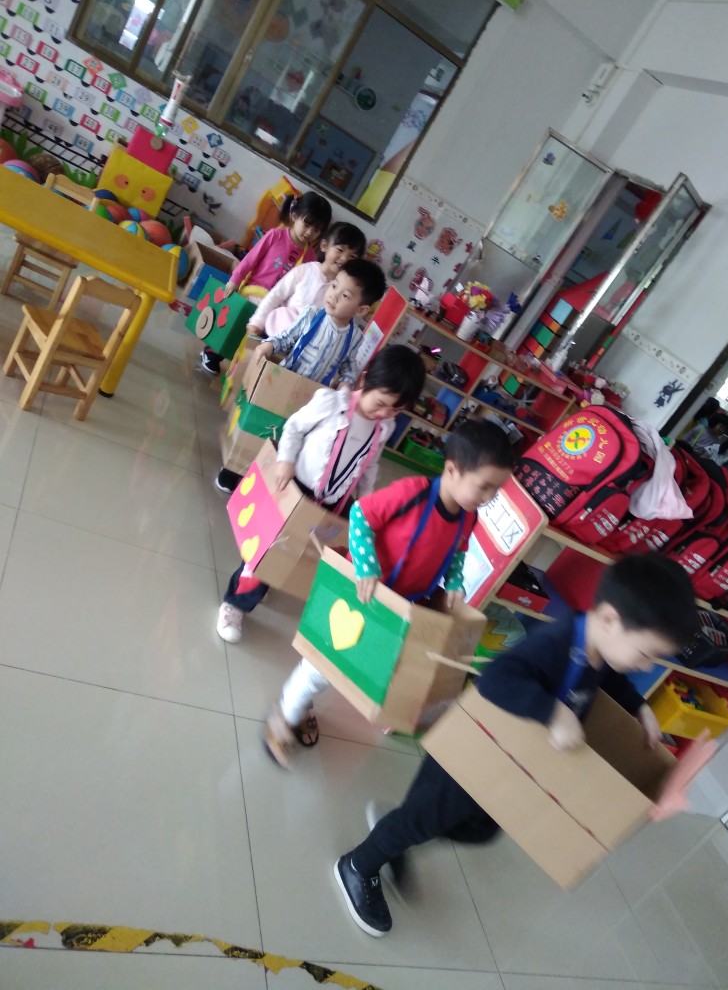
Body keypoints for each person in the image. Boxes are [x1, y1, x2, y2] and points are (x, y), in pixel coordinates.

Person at [333, 554, 698, 937]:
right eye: (646, 655)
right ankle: (359, 864)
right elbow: (497, 679)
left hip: (506, 761)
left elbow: (612, 680)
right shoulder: (558, 642)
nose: (647, 667)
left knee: (480, 830)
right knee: (428, 817)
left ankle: (397, 830)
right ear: (609, 620)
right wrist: (552, 713)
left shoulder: (601, 651)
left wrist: (640, 707)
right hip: (471, 755)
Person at [263, 420, 515, 768]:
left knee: (346, 661)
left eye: (495, 491)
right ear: (452, 470)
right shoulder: (413, 492)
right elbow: (362, 515)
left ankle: (301, 703)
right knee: (322, 661)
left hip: (395, 604)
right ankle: (285, 716)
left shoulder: (466, 517)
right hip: (360, 591)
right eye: (484, 487)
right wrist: (366, 566)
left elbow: (458, 551)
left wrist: (455, 582)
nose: (488, 498)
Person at [216, 345, 427, 644]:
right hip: (296, 486)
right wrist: (286, 460)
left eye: (395, 410)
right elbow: (293, 428)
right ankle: (235, 604)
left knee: (293, 549)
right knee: (264, 550)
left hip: (333, 501)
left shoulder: (385, 427)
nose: (384, 413)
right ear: (366, 379)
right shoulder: (331, 403)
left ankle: (266, 579)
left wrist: (365, 500)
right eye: (381, 403)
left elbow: (370, 465)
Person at [214, 258, 386, 493]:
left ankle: (260, 475)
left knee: (287, 438)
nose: (333, 295)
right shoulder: (312, 314)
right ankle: (234, 468)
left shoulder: (355, 337)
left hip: (313, 398)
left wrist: (346, 384)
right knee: (262, 424)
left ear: (361, 309)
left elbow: (349, 367)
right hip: (284, 380)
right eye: (334, 286)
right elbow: (287, 338)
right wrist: (269, 345)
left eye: (345, 295)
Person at [199, 191, 332, 376]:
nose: (309, 232)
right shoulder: (275, 236)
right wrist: (234, 280)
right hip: (252, 295)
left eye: (316, 230)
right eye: (307, 224)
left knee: (255, 340)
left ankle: (239, 369)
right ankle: (211, 353)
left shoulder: (309, 256)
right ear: (294, 216)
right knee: (234, 327)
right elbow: (250, 259)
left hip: (275, 306)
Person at [246, 221, 367, 338]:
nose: (344, 259)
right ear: (324, 246)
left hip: (303, 344)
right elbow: (275, 296)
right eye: (340, 250)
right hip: (275, 331)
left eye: (352, 256)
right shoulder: (305, 270)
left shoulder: (344, 291)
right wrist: (257, 322)